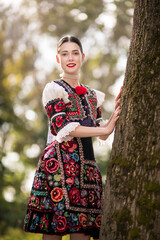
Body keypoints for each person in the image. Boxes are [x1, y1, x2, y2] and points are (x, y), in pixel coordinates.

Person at [24, 35, 122, 240]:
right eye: (64, 53)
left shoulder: (92, 95)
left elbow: (101, 132)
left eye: (75, 53)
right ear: (58, 59)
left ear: (82, 57)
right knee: (53, 233)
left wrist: (115, 114)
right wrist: (104, 130)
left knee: (82, 235)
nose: (70, 57)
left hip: (87, 170)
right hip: (58, 169)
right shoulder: (54, 89)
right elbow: (63, 128)